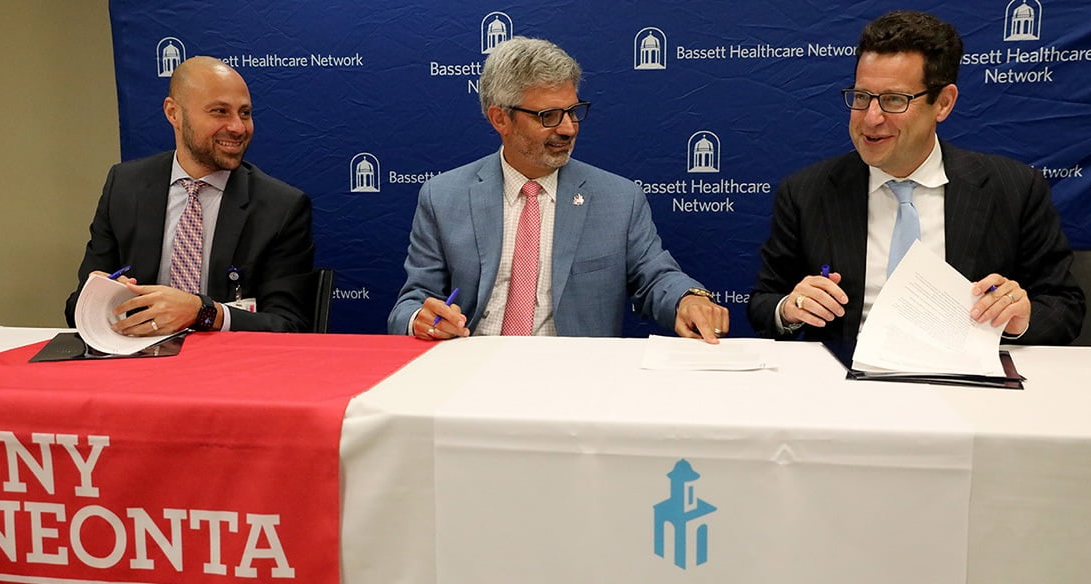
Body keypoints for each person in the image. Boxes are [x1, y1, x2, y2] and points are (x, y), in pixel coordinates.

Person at [748, 10, 1084, 345]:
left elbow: (1064, 307)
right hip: (845, 382)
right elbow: (765, 303)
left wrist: (1018, 318)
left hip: (965, 382)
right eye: (862, 97)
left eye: (894, 100)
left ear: (943, 103)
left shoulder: (1013, 189)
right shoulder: (807, 192)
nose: (871, 118)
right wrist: (790, 308)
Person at [387, 37, 728, 342]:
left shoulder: (619, 199)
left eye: (573, 111)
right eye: (548, 115)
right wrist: (422, 319)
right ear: (500, 119)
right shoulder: (444, 196)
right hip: (468, 369)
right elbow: (412, 301)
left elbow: (655, 277)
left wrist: (689, 298)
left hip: (574, 378)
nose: (568, 128)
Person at [65, 56, 316, 334]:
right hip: (135, 361)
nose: (238, 127)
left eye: (244, 113)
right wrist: (97, 298)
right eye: (220, 111)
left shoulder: (280, 207)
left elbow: (289, 326)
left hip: (230, 367)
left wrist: (204, 312)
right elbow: (75, 307)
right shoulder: (125, 187)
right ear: (173, 113)